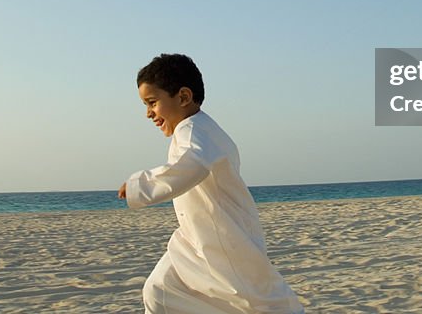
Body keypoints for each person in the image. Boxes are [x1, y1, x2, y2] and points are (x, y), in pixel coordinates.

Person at [118, 53, 304, 314]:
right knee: (159, 289)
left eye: (152, 102)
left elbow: (191, 166)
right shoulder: (196, 129)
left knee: (258, 302)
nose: (148, 113)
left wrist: (142, 185)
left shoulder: (194, 131)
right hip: (191, 239)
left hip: (226, 239)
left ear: (183, 97)